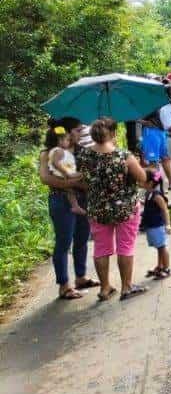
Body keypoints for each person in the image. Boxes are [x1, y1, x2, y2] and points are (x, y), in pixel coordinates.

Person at [76, 117, 150, 301]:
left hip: (97, 208)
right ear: (114, 133)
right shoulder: (123, 155)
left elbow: (82, 181)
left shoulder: (84, 156)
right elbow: (142, 178)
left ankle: (105, 288)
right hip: (124, 208)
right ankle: (126, 287)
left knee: (101, 248)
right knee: (125, 246)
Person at [38, 119, 100, 300]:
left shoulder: (83, 151)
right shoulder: (49, 153)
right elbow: (45, 178)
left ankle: (80, 277)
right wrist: (73, 182)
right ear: (66, 133)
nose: (80, 134)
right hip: (60, 199)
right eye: (77, 131)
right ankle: (64, 285)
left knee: (82, 238)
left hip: (83, 198)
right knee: (64, 242)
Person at [46, 124, 86, 216]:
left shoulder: (79, 150)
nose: (81, 135)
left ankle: (76, 206)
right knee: (70, 190)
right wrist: (67, 173)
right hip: (61, 178)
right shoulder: (57, 151)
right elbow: (55, 164)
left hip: (81, 195)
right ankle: (75, 206)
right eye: (78, 131)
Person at [140, 167, 171, 280]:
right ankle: (160, 266)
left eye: (142, 180)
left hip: (158, 226)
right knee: (159, 247)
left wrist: (168, 224)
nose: (139, 182)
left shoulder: (157, 195)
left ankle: (166, 268)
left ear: (150, 183)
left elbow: (164, 210)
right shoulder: (148, 194)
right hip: (151, 226)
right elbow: (149, 205)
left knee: (162, 247)